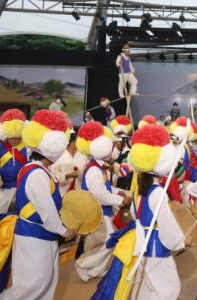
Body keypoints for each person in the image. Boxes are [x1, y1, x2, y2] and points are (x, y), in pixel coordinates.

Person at [92, 124, 187, 300]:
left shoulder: (142, 189)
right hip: (156, 248)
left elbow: (136, 216)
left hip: (142, 244)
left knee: (147, 289)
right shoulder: (157, 192)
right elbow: (167, 223)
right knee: (170, 289)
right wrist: (179, 242)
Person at [1, 110, 76, 300]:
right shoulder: (37, 173)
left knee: (47, 280)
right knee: (35, 282)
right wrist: (63, 231)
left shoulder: (38, 169)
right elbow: (46, 210)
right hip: (34, 234)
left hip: (41, 233)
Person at [75, 121, 131, 282]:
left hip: (102, 209)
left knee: (108, 240)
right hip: (97, 210)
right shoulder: (94, 169)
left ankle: (96, 269)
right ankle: (83, 264)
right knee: (108, 240)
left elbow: (106, 188)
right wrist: (121, 200)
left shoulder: (99, 167)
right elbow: (100, 195)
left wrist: (119, 192)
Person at [0, 109, 29, 224]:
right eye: (11, 138)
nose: (14, 140)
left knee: (22, 215)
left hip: (23, 187)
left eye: (17, 137)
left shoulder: (28, 147)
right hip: (5, 187)